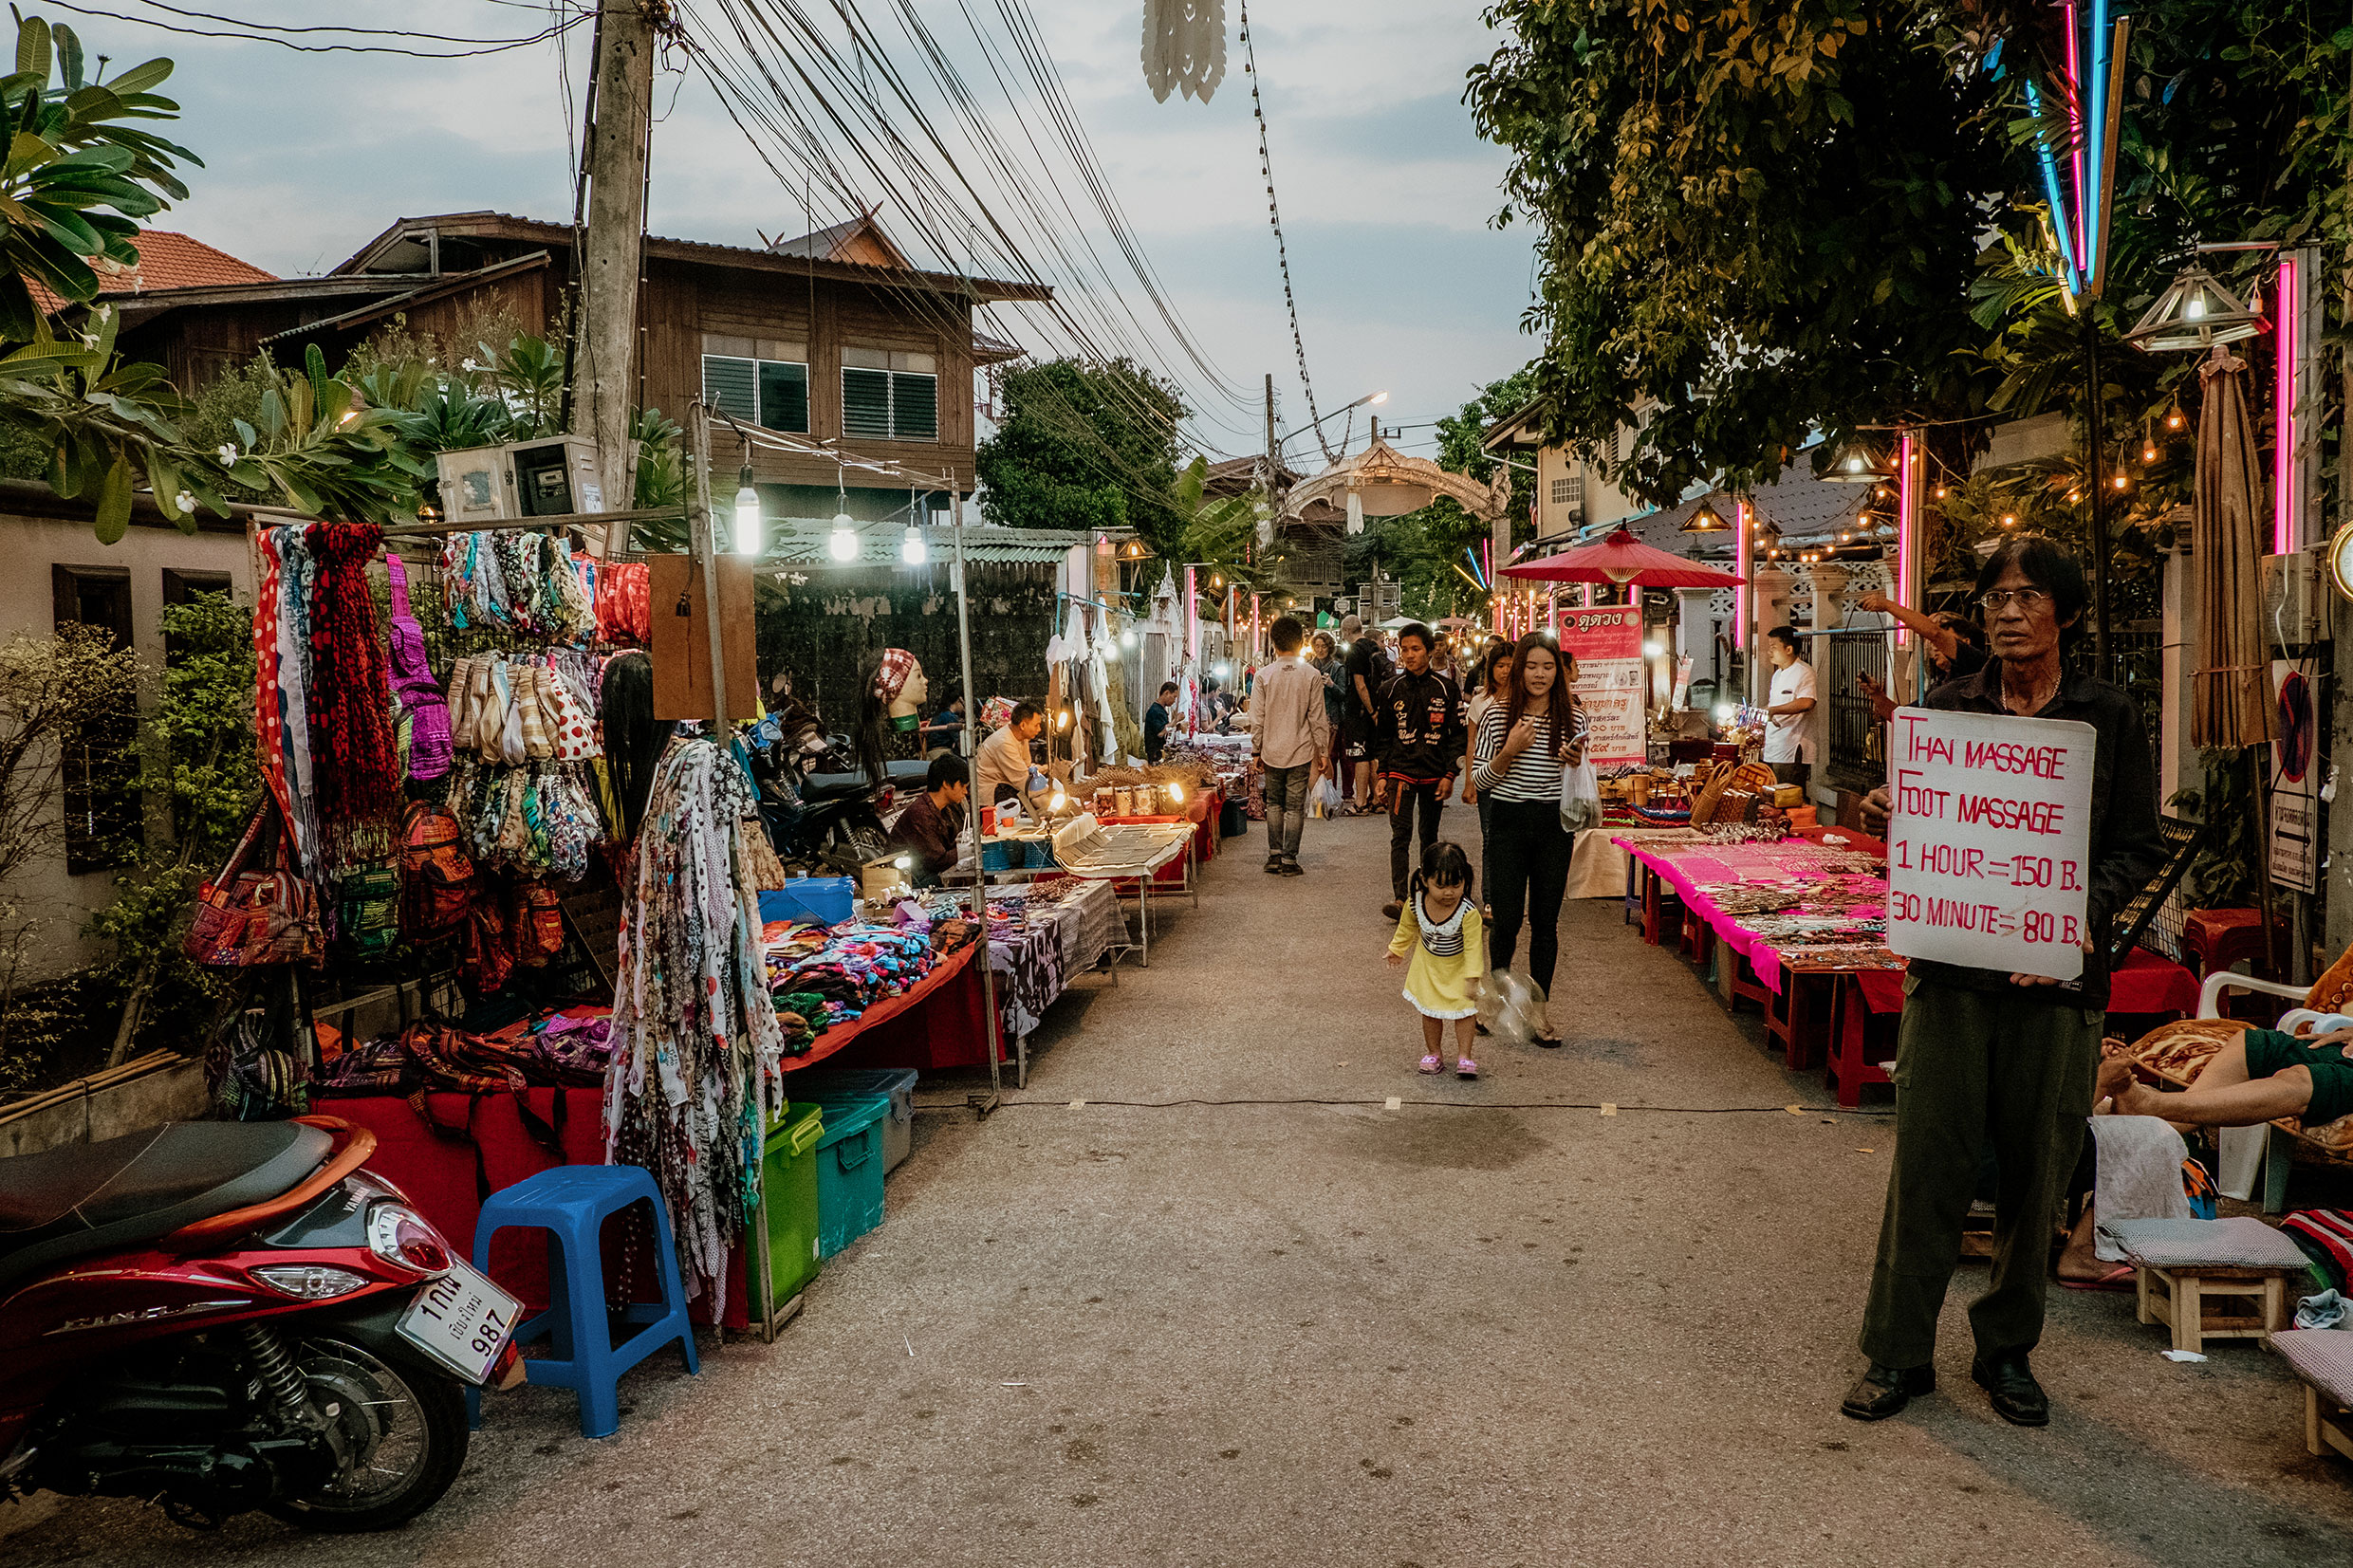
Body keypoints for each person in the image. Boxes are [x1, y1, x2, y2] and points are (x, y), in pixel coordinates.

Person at [1842, 536, 2164, 1430]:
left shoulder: (2109, 716)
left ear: (2064, 610)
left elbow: (2138, 846)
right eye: (1995, 598)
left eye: (2028, 596)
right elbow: (1927, 831)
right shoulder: (1947, 708)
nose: (2009, 612)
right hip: (1949, 973)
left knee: (2038, 1174)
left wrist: (2072, 912)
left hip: (2056, 985)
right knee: (1928, 1164)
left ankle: (2007, 1351)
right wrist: (1886, 810)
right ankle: (1898, 1351)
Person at [1471, 631, 1584, 1047]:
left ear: (1559, 670)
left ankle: (1539, 1011)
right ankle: (1492, 1004)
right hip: (1508, 821)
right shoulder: (1497, 715)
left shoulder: (1575, 718)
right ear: (1518, 669)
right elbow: (1481, 779)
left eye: (1548, 666)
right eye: (1532, 666)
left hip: (1555, 824)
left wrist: (1574, 763)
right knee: (1505, 921)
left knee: (1545, 923)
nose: (1540, 675)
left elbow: (1582, 779)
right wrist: (1509, 751)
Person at [1372, 622, 1464, 921]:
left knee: (1429, 835)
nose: (1409, 655)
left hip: (1434, 776)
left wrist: (1450, 775)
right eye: (1404, 649)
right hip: (1400, 774)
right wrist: (1382, 775)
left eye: (1416, 649)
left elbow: (1457, 738)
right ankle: (1401, 898)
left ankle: (1427, 893)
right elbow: (1383, 737)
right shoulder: (1389, 689)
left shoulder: (1447, 689)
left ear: (1429, 650)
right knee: (1400, 835)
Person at [1385, 839, 1486, 1079]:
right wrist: (1396, 949)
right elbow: (1406, 927)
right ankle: (1434, 1052)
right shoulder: (1415, 904)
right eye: (1440, 885)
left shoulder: (1468, 912)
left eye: (1456, 884)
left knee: (1464, 1013)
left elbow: (1474, 947)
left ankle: (1465, 1055)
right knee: (1430, 1012)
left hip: (1459, 971)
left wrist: (1472, 977)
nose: (1449, 892)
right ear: (1424, 880)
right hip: (1428, 970)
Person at [1247, 615, 1331, 877]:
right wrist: (1323, 750)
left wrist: (1256, 751)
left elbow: (1256, 718)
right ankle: (1290, 859)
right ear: (1301, 641)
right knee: (1295, 807)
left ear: (1273, 643)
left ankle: (1273, 856)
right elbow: (1318, 717)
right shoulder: (1311, 674)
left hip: (1271, 750)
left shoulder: (1263, 675)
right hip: (1301, 749)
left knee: (1274, 803)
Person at [1854, 595, 1989, 722]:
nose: (1934, 647)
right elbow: (1901, 717)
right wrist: (1876, 694)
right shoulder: (1939, 685)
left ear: (1965, 642)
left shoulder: (1977, 665)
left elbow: (1935, 633)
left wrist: (1887, 605)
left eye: (1941, 642)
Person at [1459, 637, 1515, 904]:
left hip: (1519, 779)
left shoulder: (1527, 698)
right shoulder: (1480, 701)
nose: (1505, 670)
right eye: (1500, 665)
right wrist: (1470, 782)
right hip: (1488, 778)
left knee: (1515, 840)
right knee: (1490, 838)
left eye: (1510, 665)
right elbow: (1471, 742)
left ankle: (1510, 896)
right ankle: (1491, 898)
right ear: (1491, 668)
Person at [885, 753, 969, 886]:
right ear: (946, 784)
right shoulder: (921, 814)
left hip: (927, 871)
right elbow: (938, 861)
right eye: (962, 786)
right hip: (909, 879)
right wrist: (968, 849)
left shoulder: (947, 808)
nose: (965, 792)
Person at [1761, 625, 1818, 789]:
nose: (1769, 652)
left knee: (1787, 795)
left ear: (1789, 649)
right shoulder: (1778, 674)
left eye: (1773, 647)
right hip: (1775, 743)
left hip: (1792, 745)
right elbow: (1775, 705)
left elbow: (1807, 702)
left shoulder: (1804, 671)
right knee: (1772, 793)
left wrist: (1774, 710)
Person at [1342, 616, 1384, 813]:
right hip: (1378, 707)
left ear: (1346, 631)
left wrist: (1370, 710)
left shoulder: (1355, 651)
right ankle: (1377, 798)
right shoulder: (1375, 647)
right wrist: (1377, 711)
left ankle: (1360, 802)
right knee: (1373, 755)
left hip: (1360, 711)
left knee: (1360, 756)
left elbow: (1360, 685)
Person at [975, 701, 1047, 813]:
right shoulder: (1004, 743)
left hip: (1010, 786)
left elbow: (1026, 767)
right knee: (1044, 799)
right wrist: (1049, 787)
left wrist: (1042, 770)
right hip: (993, 796)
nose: (1039, 729)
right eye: (1036, 725)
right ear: (1022, 725)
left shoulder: (1022, 738)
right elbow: (1023, 782)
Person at [1143, 680, 1177, 764]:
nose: (1174, 701)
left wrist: (1177, 727)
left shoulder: (1161, 710)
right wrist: (1176, 719)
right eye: (1174, 697)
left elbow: (1166, 728)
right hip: (1156, 754)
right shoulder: (1155, 711)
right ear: (1166, 693)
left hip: (1160, 752)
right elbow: (1161, 732)